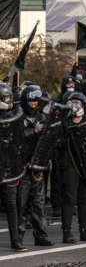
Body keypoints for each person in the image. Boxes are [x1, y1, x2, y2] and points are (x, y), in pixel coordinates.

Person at [55, 92, 86, 243]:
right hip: (69, 164)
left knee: (85, 198)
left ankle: (84, 230)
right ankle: (67, 232)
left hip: (85, 165)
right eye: (73, 103)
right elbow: (57, 143)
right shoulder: (64, 122)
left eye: (79, 103)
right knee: (69, 198)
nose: (76, 106)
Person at [19, 85, 53, 246]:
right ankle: (17, 237)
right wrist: (34, 131)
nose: (34, 103)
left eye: (36, 100)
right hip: (22, 166)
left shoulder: (42, 117)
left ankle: (41, 235)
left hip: (38, 166)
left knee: (39, 203)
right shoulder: (17, 116)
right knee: (21, 203)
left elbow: (49, 141)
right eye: (31, 100)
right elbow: (16, 138)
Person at [0, 83, 27, 251]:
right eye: (4, 98)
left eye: (8, 97)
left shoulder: (16, 116)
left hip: (10, 167)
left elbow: (20, 142)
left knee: (12, 205)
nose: (7, 101)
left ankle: (15, 239)